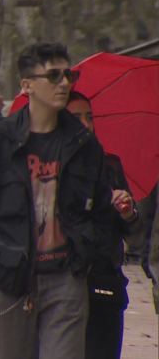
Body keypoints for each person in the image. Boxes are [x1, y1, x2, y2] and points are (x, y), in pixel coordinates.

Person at [0, 43, 112, 359]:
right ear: (27, 85)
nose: (65, 83)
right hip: (9, 277)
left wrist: (85, 255)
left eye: (69, 74)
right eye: (54, 75)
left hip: (66, 277)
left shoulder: (84, 144)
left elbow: (101, 207)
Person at [66, 91, 146, 359]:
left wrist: (127, 213)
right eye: (76, 117)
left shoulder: (110, 165)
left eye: (89, 117)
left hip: (104, 282)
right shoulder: (48, 171)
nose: (86, 124)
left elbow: (135, 236)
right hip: (63, 282)